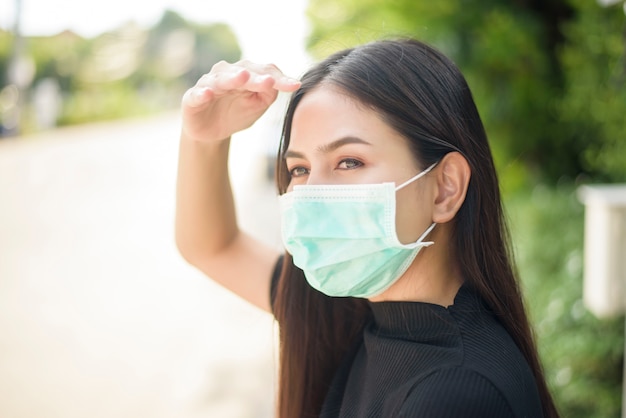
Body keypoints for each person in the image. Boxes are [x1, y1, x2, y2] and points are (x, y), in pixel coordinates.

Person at [175, 38, 559, 417]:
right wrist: (205, 137)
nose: (314, 193)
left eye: (349, 162)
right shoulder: (346, 313)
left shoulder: (457, 394)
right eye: (300, 169)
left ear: (445, 188)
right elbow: (212, 247)